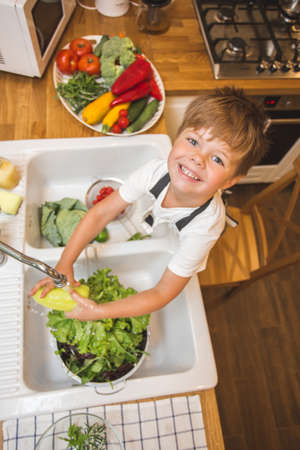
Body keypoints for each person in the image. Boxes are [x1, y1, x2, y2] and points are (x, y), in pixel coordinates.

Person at [30, 86, 269, 321]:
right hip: (160, 227)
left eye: (217, 158)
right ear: (178, 136)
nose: (198, 158)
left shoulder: (204, 228)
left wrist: (100, 311)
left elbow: (162, 292)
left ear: (231, 181)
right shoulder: (156, 172)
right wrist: (65, 262)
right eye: (193, 141)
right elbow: (100, 213)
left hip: (184, 241)